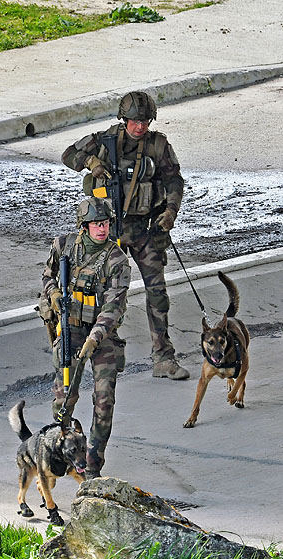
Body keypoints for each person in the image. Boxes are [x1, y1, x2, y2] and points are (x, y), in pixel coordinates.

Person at [61, 91, 189, 380]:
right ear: (124, 119)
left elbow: (174, 179)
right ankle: (111, 355)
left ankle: (163, 358)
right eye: (134, 121)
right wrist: (91, 162)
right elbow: (68, 154)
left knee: (157, 293)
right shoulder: (106, 140)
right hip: (111, 231)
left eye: (144, 121)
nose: (139, 127)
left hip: (145, 229)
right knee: (107, 295)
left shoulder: (158, 145)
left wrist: (170, 212)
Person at [42, 197, 130, 479]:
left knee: (104, 401)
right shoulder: (64, 245)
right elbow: (47, 276)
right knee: (64, 398)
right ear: (84, 226)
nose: (102, 229)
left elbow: (114, 305)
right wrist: (54, 294)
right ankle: (59, 455)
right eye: (96, 224)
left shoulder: (116, 260)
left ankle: (92, 465)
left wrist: (96, 336)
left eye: (105, 224)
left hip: (101, 335)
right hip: (70, 328)